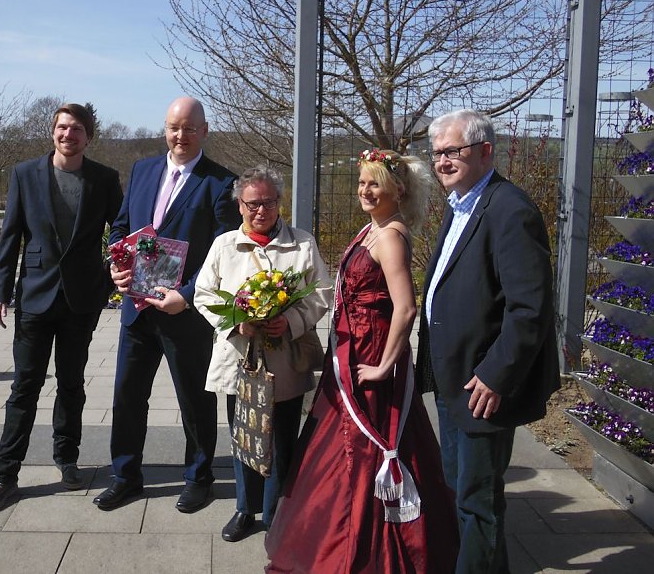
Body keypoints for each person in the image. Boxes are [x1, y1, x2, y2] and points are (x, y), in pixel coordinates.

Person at [266, 149, 459, 573]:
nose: (365, 191)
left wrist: (385, 366)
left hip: (373, 354)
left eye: (375, 184)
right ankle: (337, 532)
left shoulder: (390, 237)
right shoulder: (371, 229)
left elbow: (406, 308)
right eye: (362, 183)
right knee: (340, 446)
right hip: (352, 351)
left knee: (367, 444)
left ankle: (369, 543)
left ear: (397, 190)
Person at [416, 109, 560, 573]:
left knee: (477, 500)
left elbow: (530, 309)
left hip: (483, 385)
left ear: (484, 152)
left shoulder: (510, 210)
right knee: (462, 489)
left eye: (452, 151)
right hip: (453, 379)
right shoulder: (460, 204)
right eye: (437, 152)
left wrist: (497, 375)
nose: (442, 161)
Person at [93, 96, 241, 513]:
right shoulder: (143, 170)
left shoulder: (221, 183)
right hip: (137, 310)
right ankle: (125, 476)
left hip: (184, 314)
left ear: (204, 131)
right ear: (165, 129)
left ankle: (198, 478)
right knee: (127, 397)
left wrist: (187, 296)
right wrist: (117, 264)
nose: (181, 135)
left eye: (190, 128)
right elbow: (121, 226)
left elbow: (223, 253)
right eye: (174, 127)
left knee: (194, 401)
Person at [0, 103, 123, 513]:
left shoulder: (104, 179)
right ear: (53, 131)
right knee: (25, 387)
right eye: (62, 127)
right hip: (35, 297)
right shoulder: (25, 174)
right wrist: (0, 291)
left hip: (81, 300)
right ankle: (4, 475)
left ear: (88, 136)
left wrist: (114, 275)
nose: (68, 134)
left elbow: (121, 231)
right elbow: (11, 236)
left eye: (76, 129)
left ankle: (67, 458)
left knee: (71, 384)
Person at [194, 165, 333, 542]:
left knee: (282, 438)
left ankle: (276, 513)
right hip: (240, 360)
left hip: (285, 360)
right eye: (252, 203)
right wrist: (234, 321)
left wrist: (291, 321)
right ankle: (245, 508)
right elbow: (204, 294)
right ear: (239, 204)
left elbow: (322, 293)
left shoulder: (302, 243)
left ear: (279, 202)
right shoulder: (224, 245)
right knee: (243, 435)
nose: (261, 210)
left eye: (269, 202)